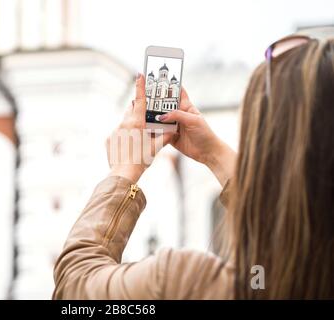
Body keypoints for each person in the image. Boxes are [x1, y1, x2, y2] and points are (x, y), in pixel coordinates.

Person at [53, 28, 334, 299]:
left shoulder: (189, 283)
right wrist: (213, 154)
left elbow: (73, 286)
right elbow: (285, 234)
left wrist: (123, 172)